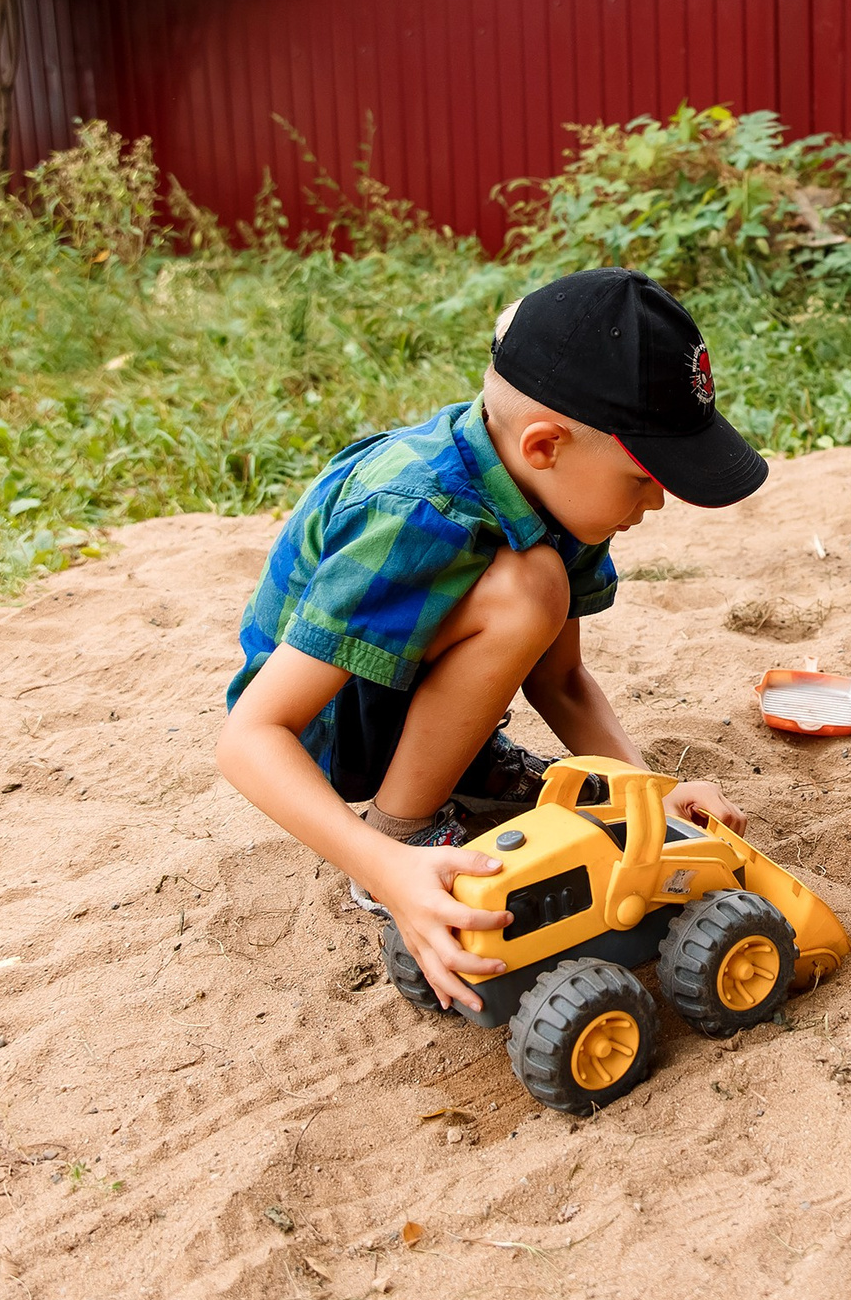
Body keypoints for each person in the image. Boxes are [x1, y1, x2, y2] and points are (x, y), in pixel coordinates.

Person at [218, 268, 757, 1013]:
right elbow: (250, 735)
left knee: (538, 581)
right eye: (644, 475)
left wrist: (653, 800)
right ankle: (405, 831)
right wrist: (384, 866)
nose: (658, 498)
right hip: (324, 730)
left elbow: (560, 680)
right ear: (545, 444)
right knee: (528, 588)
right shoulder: (410, 506)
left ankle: (458, 765)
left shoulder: (560, 492)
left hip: (403, 687)